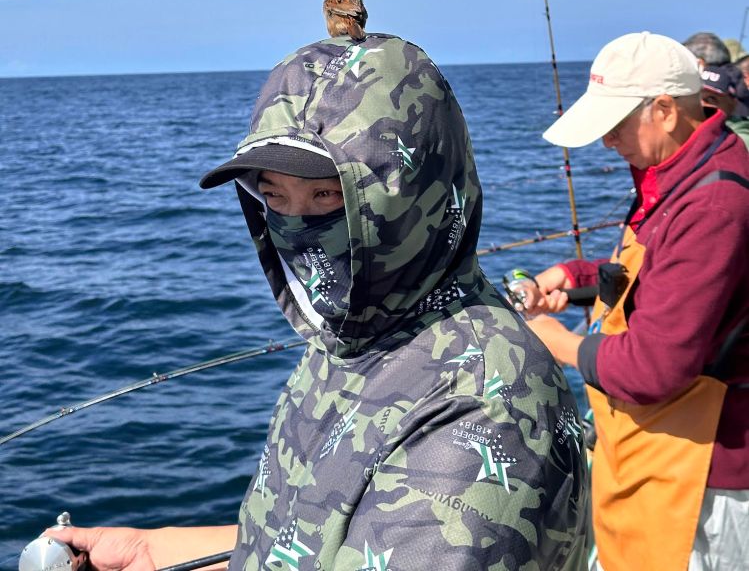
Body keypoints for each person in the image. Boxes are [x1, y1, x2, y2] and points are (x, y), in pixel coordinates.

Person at [49, 34, 589, 570]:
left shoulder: (485, 404)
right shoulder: (354, 332)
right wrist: (151, 550)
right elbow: (307, 540)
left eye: (327, 196)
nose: (296, 227)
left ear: (409, 191)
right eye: (275, 197)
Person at [521, 31, 749, 571]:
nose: (606, 142)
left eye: (615, 126)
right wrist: (571, 277)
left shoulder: (713, 202)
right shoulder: (682, 173)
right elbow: (657, 275)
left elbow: (653, 368)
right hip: (664, 457)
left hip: (702, 480)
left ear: (665, 110)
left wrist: (561, 344)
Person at [701, 64, 749, 149]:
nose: (701, 104)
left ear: (733, 103)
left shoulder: (741, 140)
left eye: (711, 99)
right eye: (696, 97)